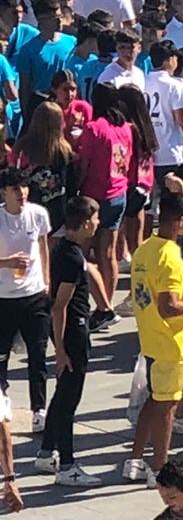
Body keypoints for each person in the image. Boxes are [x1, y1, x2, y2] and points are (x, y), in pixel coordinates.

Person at [125, 194, 183, 483]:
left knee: (154, 399)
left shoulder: (144, 249)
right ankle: (161, 469)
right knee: (167, 406)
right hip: (171, 342)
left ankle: (135, 459)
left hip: (149, 338)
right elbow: (170, 306)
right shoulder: (171, 255)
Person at [44, 195, 99, 486]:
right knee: (69, 400)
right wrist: (61, 350)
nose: (98, 223)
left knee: (62, 394)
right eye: (96, 218)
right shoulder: (73, 257)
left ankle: (45, 450)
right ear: (87, 221)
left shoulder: (65, 248)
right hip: (74, 333)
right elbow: (60, 305)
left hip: (73, 330)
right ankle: (67, 465)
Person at [0, 166, 52, 435]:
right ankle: (3, 400)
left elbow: (43, 246)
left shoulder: (38, 214)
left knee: (38, 355)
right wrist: (7, 262)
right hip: (4, 298)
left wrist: (47, 282)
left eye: (24, 188)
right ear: (4, 193)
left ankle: (39, 410)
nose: (21, 194)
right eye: (15, 189)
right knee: (2, 356)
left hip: (34, 296)